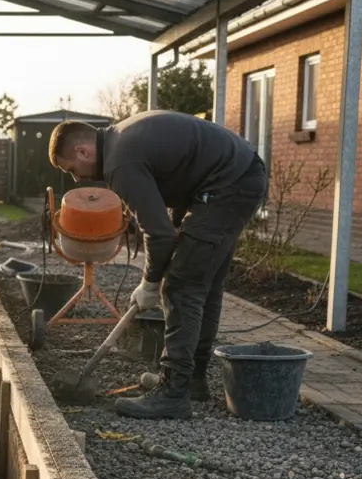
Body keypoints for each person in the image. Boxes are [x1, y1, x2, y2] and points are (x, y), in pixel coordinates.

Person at [48, 110, 268, 420]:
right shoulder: (121, 140)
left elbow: (159, 234)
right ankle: (191, 381)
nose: (77, 178)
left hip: (227, 185)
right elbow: (175, 198)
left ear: (82, 151)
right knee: (203, 283)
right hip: (233, 178)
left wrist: (150, 283)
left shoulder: (120, 163)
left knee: (181, 286)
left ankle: (173, 393)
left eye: (72, 168)